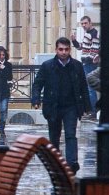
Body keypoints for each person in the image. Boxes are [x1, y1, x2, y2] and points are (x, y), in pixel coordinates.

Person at [31, 37, 91, 173]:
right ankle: (55, 163)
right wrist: (35, 100)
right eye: (61, 49)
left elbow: (83, 86)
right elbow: (37, 84)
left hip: (71, 106)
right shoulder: (47, 66)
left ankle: (71, 164)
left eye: (66, 49)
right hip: (53, 105)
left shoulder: (77, 65)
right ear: (56, 50)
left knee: (70, 134)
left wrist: (87, 106)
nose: (63, 52)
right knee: (54, 136)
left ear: (70, 50)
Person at [72, 15, 99, 116]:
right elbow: (81, 48)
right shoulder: (87, 34)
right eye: (82, 23)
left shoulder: (94, 33)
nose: (83, 25)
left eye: (85, 23)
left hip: (90, 64)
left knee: (90, 88)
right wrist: (74, 41)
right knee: (87, 87)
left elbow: (95, 49)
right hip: (85, 63)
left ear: (90, 23)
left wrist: (90, 59)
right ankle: (89, 109)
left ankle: (92, 111)